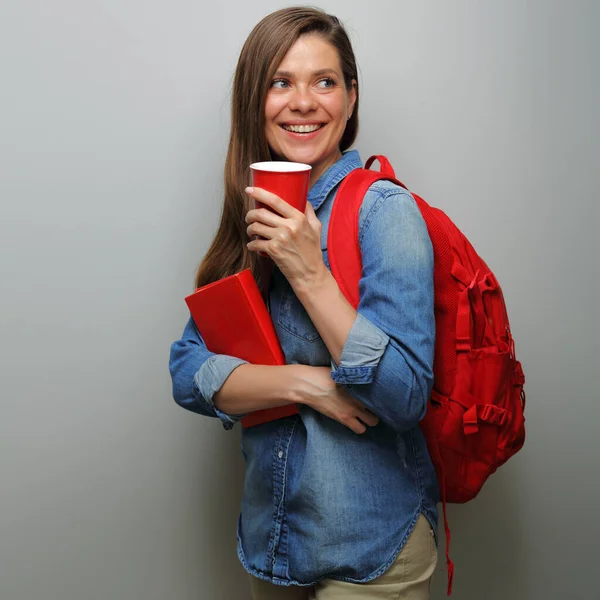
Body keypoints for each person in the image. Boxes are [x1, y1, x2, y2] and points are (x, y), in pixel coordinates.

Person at [169, 6, 439, 599]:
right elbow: (187, 372)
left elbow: (405, 395)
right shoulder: (256, 213)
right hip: (275, 547)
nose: (304, 101)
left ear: (350, 97)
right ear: (254, 99)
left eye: (325, 81)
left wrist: (310, 273)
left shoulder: (383, 211)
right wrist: (305, 384)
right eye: (280, 82)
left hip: (370, 552)